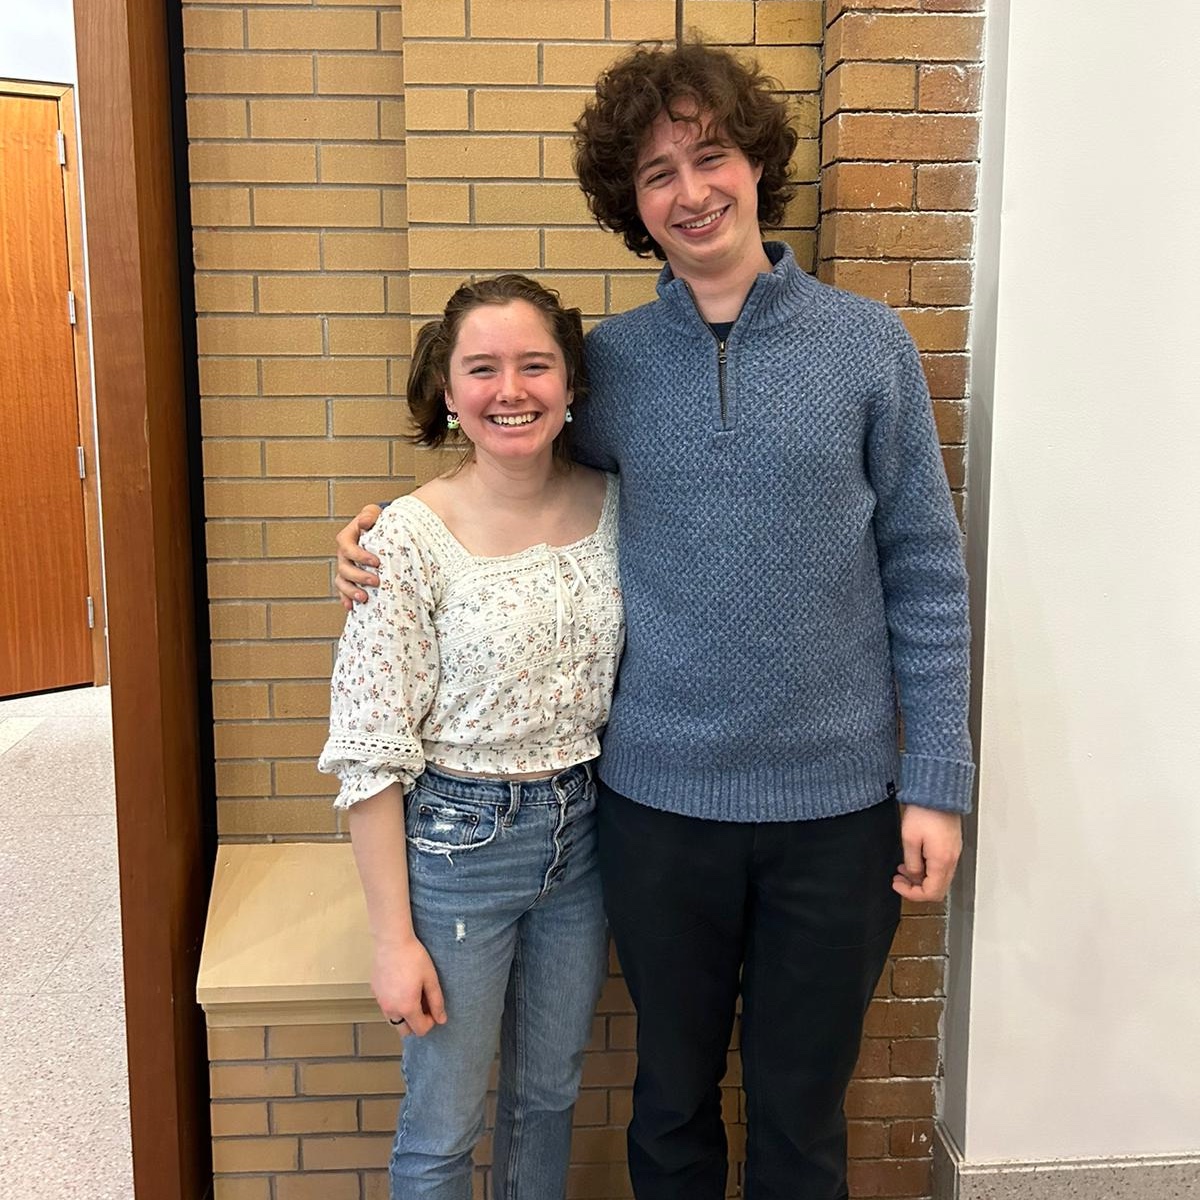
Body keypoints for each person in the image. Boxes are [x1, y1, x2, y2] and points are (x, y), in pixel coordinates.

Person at [335, 43, 974, 1200]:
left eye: (710, 155)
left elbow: (925, 570)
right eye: (656, 173)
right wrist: (384, 545)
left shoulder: (868, 345)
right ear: (629, 206)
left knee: (799, 1110)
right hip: (657, 811)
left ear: (755, 165)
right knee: (670, 1103)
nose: (690, 191)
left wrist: (935, 776)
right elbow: (509, 483)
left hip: (839, 814)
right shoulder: (613, 366)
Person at [318, 274, 624, 1200]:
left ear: (570, 383)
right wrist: (390, 939)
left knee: (549, 1094)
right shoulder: (404, 540)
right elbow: (370, 746)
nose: (511, 390)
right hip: (458, 847)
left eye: (535, 365)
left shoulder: (619, 506)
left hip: (586, 836)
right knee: (443, 1126)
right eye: (482, 369)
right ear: (447, 393)